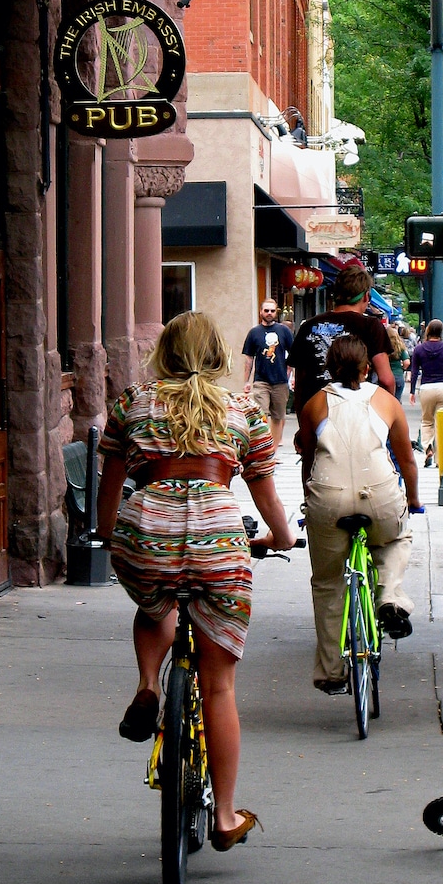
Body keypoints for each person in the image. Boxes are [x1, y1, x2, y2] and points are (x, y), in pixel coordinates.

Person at [95, 311, 295, 852]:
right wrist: (282, 537)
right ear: (217, 355)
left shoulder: (132, 404)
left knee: (154, 604)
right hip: (218, 540)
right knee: (220, 685)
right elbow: (265, 492)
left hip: (150, 532)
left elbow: (110, 481)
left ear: (165, 352)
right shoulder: (241, 411)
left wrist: (108, 533)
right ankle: (226, 815)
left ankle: (148, 684)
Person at [296, 335, 423, 692]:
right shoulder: (386, 401)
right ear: (367, 367)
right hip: (380, 494)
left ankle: (331, 672)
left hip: (329, 499)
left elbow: (309, 462)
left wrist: (311, 499)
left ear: (329, 368)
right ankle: (390, 598)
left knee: (327, 583)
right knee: (397, 537)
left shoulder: (314, 405)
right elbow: (408, 462)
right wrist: (413, 501)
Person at [286, 262, 394, 413]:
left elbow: (300, 383)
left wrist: (304, 424)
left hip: (317, 414)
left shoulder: (308, 326)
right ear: (366, 296)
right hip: (358, 413)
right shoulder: (371, 326)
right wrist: (386, 416)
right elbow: (386, 380)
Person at [241, 299, 294, 448]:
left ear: (276, 312)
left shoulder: (284, 331)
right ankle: (262, 448)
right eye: (266, 310)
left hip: (280, 381)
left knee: (278, 417)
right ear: (261, 312)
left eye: (272, 310)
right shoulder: (254, 333)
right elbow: (249, 359)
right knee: (260, 416)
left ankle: (273, 451)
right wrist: (246, 382)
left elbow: (293, 354)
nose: (269, 313)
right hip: (261, 381)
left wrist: (291, 374)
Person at [410, 319, 443, 467]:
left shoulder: (419, 349)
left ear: (428, 331)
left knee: (427, 421)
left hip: (426, 389)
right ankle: (440, 457)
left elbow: (414, 372)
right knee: (442, 422)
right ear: (441, 332)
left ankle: (428, 448)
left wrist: (412, 391)